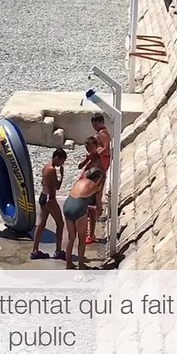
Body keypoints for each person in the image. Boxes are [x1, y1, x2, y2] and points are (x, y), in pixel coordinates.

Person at [62, 166, 104, 270]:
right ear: (98, 178)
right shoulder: (95, 186)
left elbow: (80, 197)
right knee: (81, 239)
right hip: (79, 208)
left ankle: (68, 264)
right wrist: (99, 210)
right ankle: (81, 264)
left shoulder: (80, 181)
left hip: (68, 205)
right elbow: (99, 205)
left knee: (71, 238)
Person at [31, 148, 67, 261]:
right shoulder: (52, 170)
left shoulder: (45, 167)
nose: (62, 164)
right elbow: (56, 186)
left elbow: (43, 183)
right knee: (60, 224)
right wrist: (61, 176)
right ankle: (58, 250)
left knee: (41, 224)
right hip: (49, 198)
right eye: (62, 161)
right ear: (57, 158)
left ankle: (35, 250)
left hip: (43, 196)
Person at [85, 114, 112, 244]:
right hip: (98, 165)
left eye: (96, 123)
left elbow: (107, 148)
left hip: (101, 164)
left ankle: (97, 213)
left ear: (101, 122)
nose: (94, 126)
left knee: (97, 191)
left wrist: (94, 155)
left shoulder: (103, 133)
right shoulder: (99, 132)